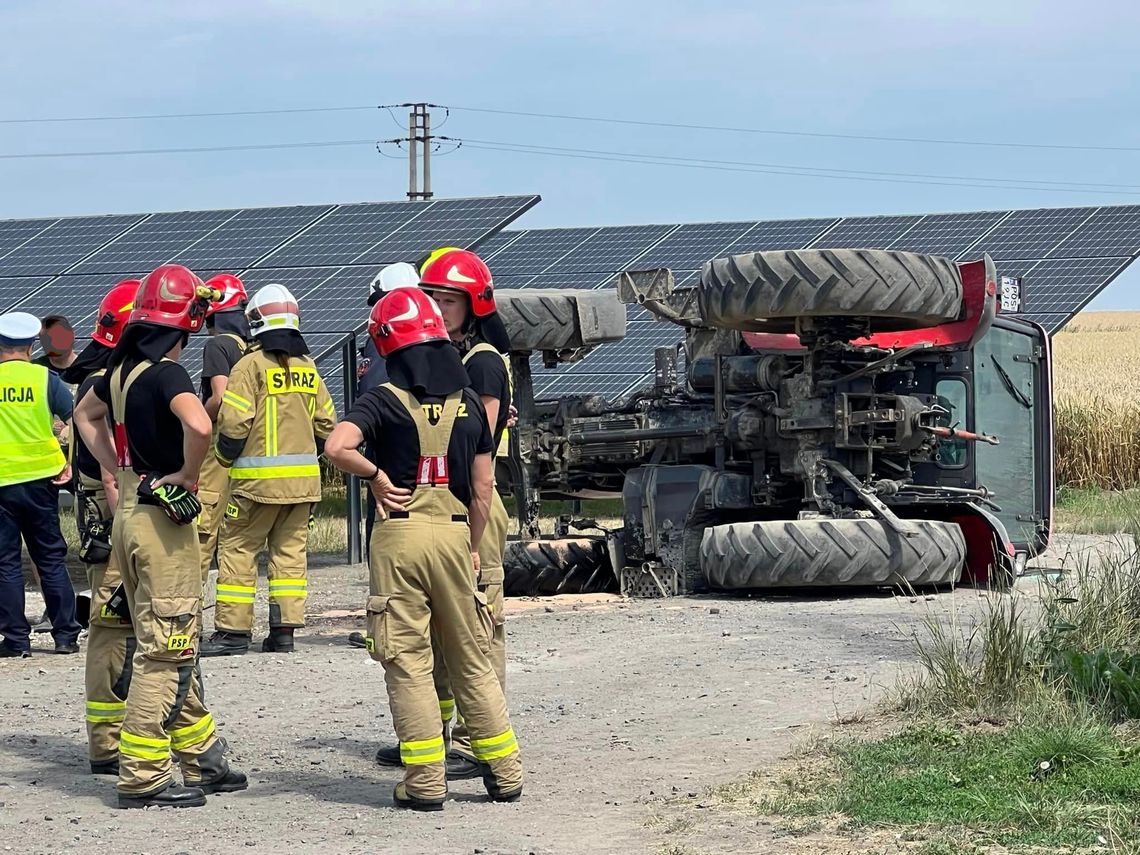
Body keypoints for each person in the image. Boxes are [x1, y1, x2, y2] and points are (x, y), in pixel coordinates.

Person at [324, 287, 522, 810]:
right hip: (458, 535)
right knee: (472, 657)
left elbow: (336, 447)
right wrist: (474, 547)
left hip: (401, 537)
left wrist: (375, 475)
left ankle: (426, 784)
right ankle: (505, 773)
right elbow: (482, 492)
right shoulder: (473, 409)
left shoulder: (382, 400)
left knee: (408, 661)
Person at [73, 264, 246, 809]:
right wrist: (189, 475)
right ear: (186, 323)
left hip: (128, 510)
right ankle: (144, 773)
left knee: (164, 637)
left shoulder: (118, 371)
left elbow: (84, 414)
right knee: (166, 648)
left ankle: (202, 757)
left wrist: (117, 465)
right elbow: (198, 425)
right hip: (161, 523)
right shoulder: (168, 374)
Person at [373, 248, 514, 779]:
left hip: (468, 503)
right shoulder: (453, 357)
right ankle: (442, 737)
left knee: (478, 630)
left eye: (449, 299)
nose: (438, 306)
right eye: (432, 297)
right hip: (448, 505)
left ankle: (486, 745)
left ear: (473, 305)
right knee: (440, 631)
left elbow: (479, 435)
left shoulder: (478, 361)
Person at [200, 284, 337, 657]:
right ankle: (283, 633)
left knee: (239, 552)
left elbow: (233, 424)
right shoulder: (308, 368)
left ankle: (232, 633)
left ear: (256, 321)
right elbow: (328, 425)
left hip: (254, 487)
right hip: (303, 487)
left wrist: (223, 463)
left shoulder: (249, 365)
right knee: (290, 555)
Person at [61, 280, 137, 772]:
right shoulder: (108, 389)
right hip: (114, 528)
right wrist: (131, 527)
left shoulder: (99, 381)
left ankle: (112, 738)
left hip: (101, 526)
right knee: (113, 632)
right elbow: (112, 474)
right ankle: (108, 744)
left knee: (118, 631)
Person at [0, 312, 82, 657]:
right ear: (32, 344)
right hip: (42, 480)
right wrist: (68, 462)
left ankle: (17, 641)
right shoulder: (46, 379)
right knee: (49, 558)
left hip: (2, 481)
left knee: (5, 562)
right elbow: (75, 418)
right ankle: (65, 635)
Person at [195, 274, 251, 583]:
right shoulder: (251, 348)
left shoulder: (218, 345)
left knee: (202, 532)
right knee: (235, 538)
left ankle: (190, 618)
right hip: (245, 444)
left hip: (218, 447)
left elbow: (219, 396)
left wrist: (197, 425)